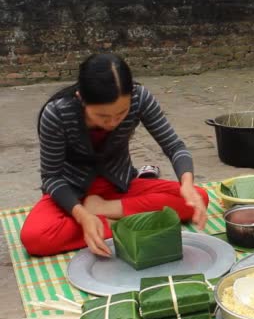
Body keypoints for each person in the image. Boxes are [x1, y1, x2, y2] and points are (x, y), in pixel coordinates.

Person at [20, 53, 209, 257]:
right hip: (73, 193)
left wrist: (186, 185)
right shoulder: (57, 114)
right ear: (81, 98)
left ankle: (106, 210)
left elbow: (174, 146)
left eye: (121, 113)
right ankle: (121, 222)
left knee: (198, 198)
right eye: (102, 116)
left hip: (121, 185)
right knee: (36, 238)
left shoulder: (140, 98)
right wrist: (82, 215)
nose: (112, 123)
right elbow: (52, 177)